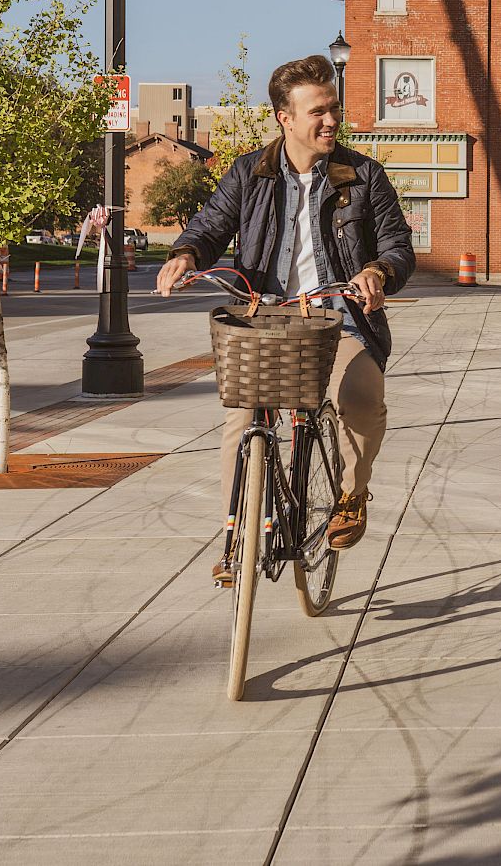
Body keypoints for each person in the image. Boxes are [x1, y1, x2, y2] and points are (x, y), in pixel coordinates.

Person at [156, 54, 415, 583]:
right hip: (266, 317)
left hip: (336, 315)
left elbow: (397, 246)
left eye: (334, 109)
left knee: (362, 397)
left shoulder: (364, 175)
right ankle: (239, 537)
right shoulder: (249, 173)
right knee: (242, 418)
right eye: (317, 111)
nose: (331, 121)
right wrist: (186, 254)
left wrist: (377, 272)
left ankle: (351, 493)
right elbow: (209, 227)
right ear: (285, 117)